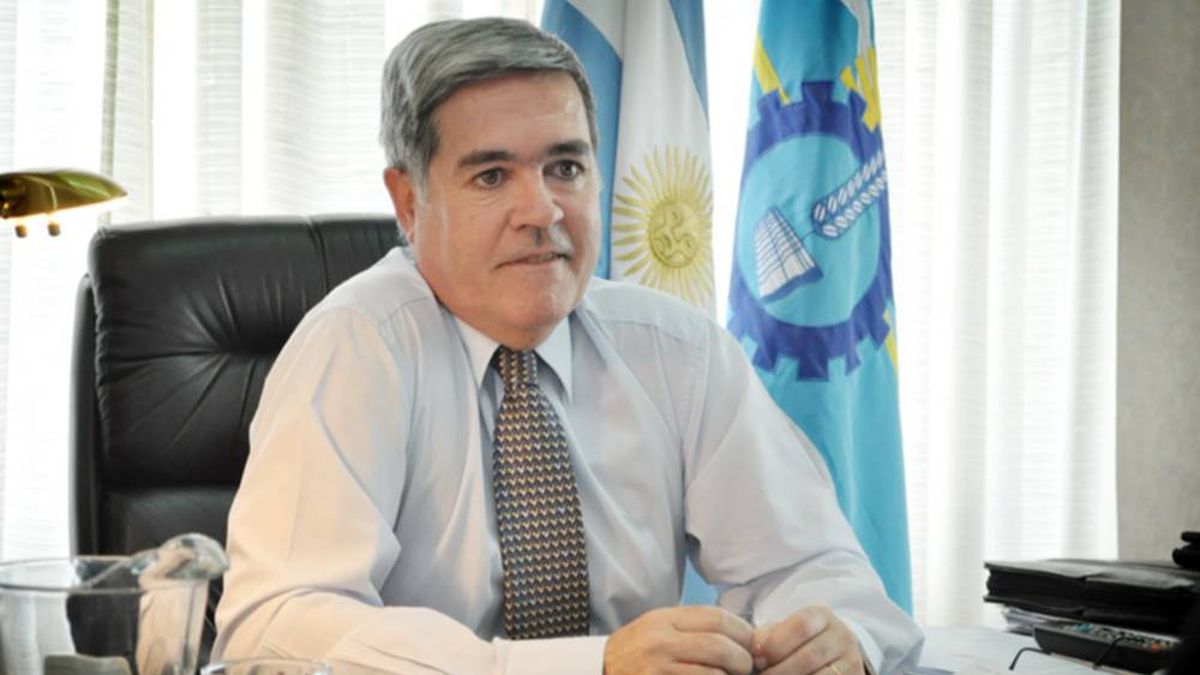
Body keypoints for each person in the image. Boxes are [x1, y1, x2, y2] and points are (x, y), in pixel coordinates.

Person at [213, 16, 923, 675]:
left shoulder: (676, 350)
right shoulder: (357, 346)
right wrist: (586, 666)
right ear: (409, 200)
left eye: (566, 168)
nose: (543, 210)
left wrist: (837, 638)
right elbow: (274, 625)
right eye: (492, 176)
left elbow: (817, 570)